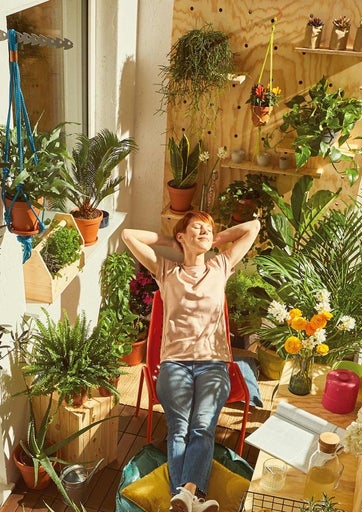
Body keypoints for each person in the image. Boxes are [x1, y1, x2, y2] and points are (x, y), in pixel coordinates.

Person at [121, 212, 260, 512]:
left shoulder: (220, 267)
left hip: (214, 364)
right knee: (179, 428)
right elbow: (128, 235)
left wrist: (214, 238)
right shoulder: (166, 271)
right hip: (175, 365)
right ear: (181, 236)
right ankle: (192, 498)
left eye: (208, 227)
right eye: (198, 227)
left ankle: (184, 496)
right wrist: (171, 241)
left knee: (203, 427)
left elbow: (253, 227)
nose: (205, 230)